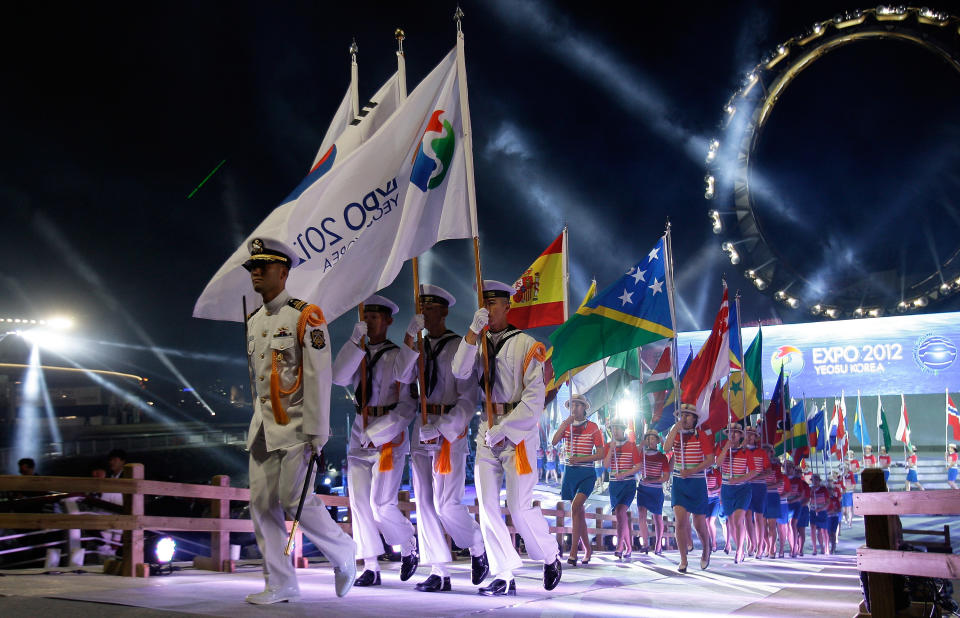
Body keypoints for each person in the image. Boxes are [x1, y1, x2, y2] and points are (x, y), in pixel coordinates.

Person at [241, 237, 357, 604]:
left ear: (283, 272)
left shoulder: (306, 315)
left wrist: (317, 431)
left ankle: (343, 551)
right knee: (261, 505)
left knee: (294, 498)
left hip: (295, 426)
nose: (256, 273)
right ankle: (280, 582)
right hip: (262, 427)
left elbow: (318, 376)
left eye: (263, 267)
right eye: (252, 268)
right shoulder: (254, 320)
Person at [451, 279, 562, 596]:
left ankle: (549, 555)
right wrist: (472, 334)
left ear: (507, 306)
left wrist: (507, 428)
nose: (486, 309)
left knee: (518, 505)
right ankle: (504, 573)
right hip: (487, 427)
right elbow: (459, 371)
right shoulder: (478, 342)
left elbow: (534, 399)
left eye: (492, 303)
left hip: (518, 434)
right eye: (482, 304)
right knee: (486, 505)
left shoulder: (528, 345)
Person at [398, 284, 488, 593]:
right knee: (422, 500)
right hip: (421, 426)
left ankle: (476, 545)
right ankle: (438, 569)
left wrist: (445, 426)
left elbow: (468, 398)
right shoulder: (419, 347)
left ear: (444, 311)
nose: (424, 311)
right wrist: (410, 339)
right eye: (421, 306)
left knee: (446, 503)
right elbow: (401, 377)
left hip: (448, 430)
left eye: (431, 307)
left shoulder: (459, 347)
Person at [332, 293, 420, 588]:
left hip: (388, 436)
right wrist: (352, 344)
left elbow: (408, 405)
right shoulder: (358, 352)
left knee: (381, 503)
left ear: (388, 320)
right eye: (365, 317)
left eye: (374, 317)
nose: (369, 322)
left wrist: (381, 431)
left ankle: (408, 543)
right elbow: (339, 377)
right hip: (360, 427)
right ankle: (370, 565)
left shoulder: (399, 355)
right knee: (358, 503)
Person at [552, 393, 604, 566]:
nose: (574, 408)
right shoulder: (567, 426)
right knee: (578, 512)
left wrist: (581, 459)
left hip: (586, 473)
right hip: (570, 472)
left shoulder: (593, 427)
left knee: (576, 507)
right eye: (572, 405)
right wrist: (564, 424)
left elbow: (601, 453)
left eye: (578, 405)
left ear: (584, 408)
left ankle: (573, 552)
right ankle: (588, 549)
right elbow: (554, 442)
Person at [663, 402, 715, 572]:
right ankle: (683, 560)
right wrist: (675, 428)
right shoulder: (676, 434)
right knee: (680, 521)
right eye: (682, 415)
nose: (684, 418)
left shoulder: (701, 436)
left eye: (687, 415)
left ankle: (706, 549)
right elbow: (666, 448)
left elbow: (710, 460)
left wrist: (692, 470)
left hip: (697, 483)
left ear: (694, 419)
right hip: (679, 482)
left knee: (699, 524)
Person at [715, 423, 756, 564]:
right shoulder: (722, 449)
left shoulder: (746, 452)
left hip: (742, 489)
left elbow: (753, 471)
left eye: (736, 432)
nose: (733, 435)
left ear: (740, 436)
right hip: (727, 490)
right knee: (731, 522)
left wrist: (738, 479)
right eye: (730, 432)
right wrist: (726, 447)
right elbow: (718, 463)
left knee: (739, 519)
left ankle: (740, 550)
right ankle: (739, 546)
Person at [603, 419, 641, 562]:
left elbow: (638, 466)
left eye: (618, 428)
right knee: (620, 516)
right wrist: (611, 450)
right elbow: (606, 466)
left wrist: (624, 474)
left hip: (628, 484)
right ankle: (628, 546)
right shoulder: (608, 446)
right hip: (614, 485)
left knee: (620, 512)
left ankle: (619, 547)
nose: (615, 431)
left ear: (623, 429)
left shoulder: (631, 446)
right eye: (613, 428)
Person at [636, 429, 670, 555]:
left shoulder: (662, 457)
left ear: (657, 440)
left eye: (653, 438)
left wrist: (653, 480)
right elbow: (634, 456)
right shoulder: (642, 454)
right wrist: (640, 445)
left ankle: (658, 544)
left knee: (657, 516)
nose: (651, 440)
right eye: (649, 438)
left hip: (656, 490)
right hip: (643, 488)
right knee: (641, 515)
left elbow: (666, 477)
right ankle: (645, 543)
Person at [743, 426, 769, 557]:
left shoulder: (761, 453)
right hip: (745, 486)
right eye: (747, 434)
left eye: (752, 435)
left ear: (755, 437)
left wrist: (755, 477)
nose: (749, 437)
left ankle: (760, 546)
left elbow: (768, 471)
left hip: (759, 486)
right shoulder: (741, 452)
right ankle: (752, 543)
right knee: (746, 516)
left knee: (759, 517)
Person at [808, 474, 829, 556]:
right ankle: (815, 548)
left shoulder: (823, 489)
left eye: (816, 480)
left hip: (822, 511)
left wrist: (821, 509)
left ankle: (824, 547)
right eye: (813, 480)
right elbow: (808, 498)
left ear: (819, 481)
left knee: (822, 530)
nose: (815, 482)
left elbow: (827, 501)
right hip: (813, 510)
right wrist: (811, 491)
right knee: (813, 528)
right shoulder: (811, 489)